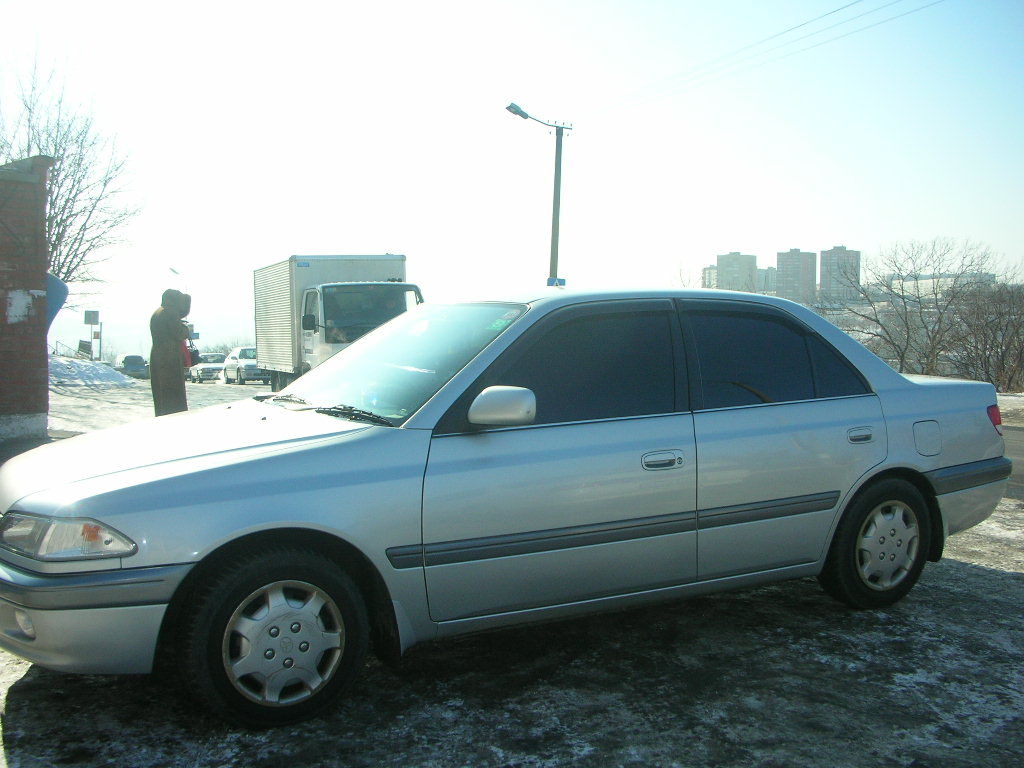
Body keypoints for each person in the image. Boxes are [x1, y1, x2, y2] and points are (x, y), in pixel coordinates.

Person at [150, 288, 191, 416]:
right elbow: (179, 333)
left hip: (157, 355)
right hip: (170, 357)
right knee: (173, 396)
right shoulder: (170, 312)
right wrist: (186, 329)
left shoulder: (157, 312)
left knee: (161, 394)